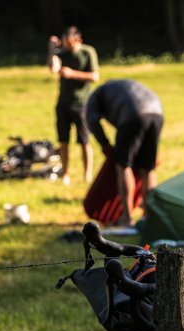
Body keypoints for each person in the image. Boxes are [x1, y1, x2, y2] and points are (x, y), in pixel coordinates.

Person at [85, 79, 164, 227]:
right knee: (148, 168)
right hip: (157, 112)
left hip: (132, 114)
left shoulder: (94, 97)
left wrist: (105, 145)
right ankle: (149, 216)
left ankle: (127, 218)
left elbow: (92, 120)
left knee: (123, 166)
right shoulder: (119, 87)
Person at [47, 26, 99, 185]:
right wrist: (51, 49)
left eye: (70, 44)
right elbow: (52, 68)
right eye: (65, 43)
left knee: (84, 141)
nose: (67, 47)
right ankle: (66, 174)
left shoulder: (88, 52)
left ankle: (87, 175)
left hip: (82, 104)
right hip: (63, 103)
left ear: (79, 40)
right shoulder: (61, 53)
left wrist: (72, 74)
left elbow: (95, 76)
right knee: (63, 141)